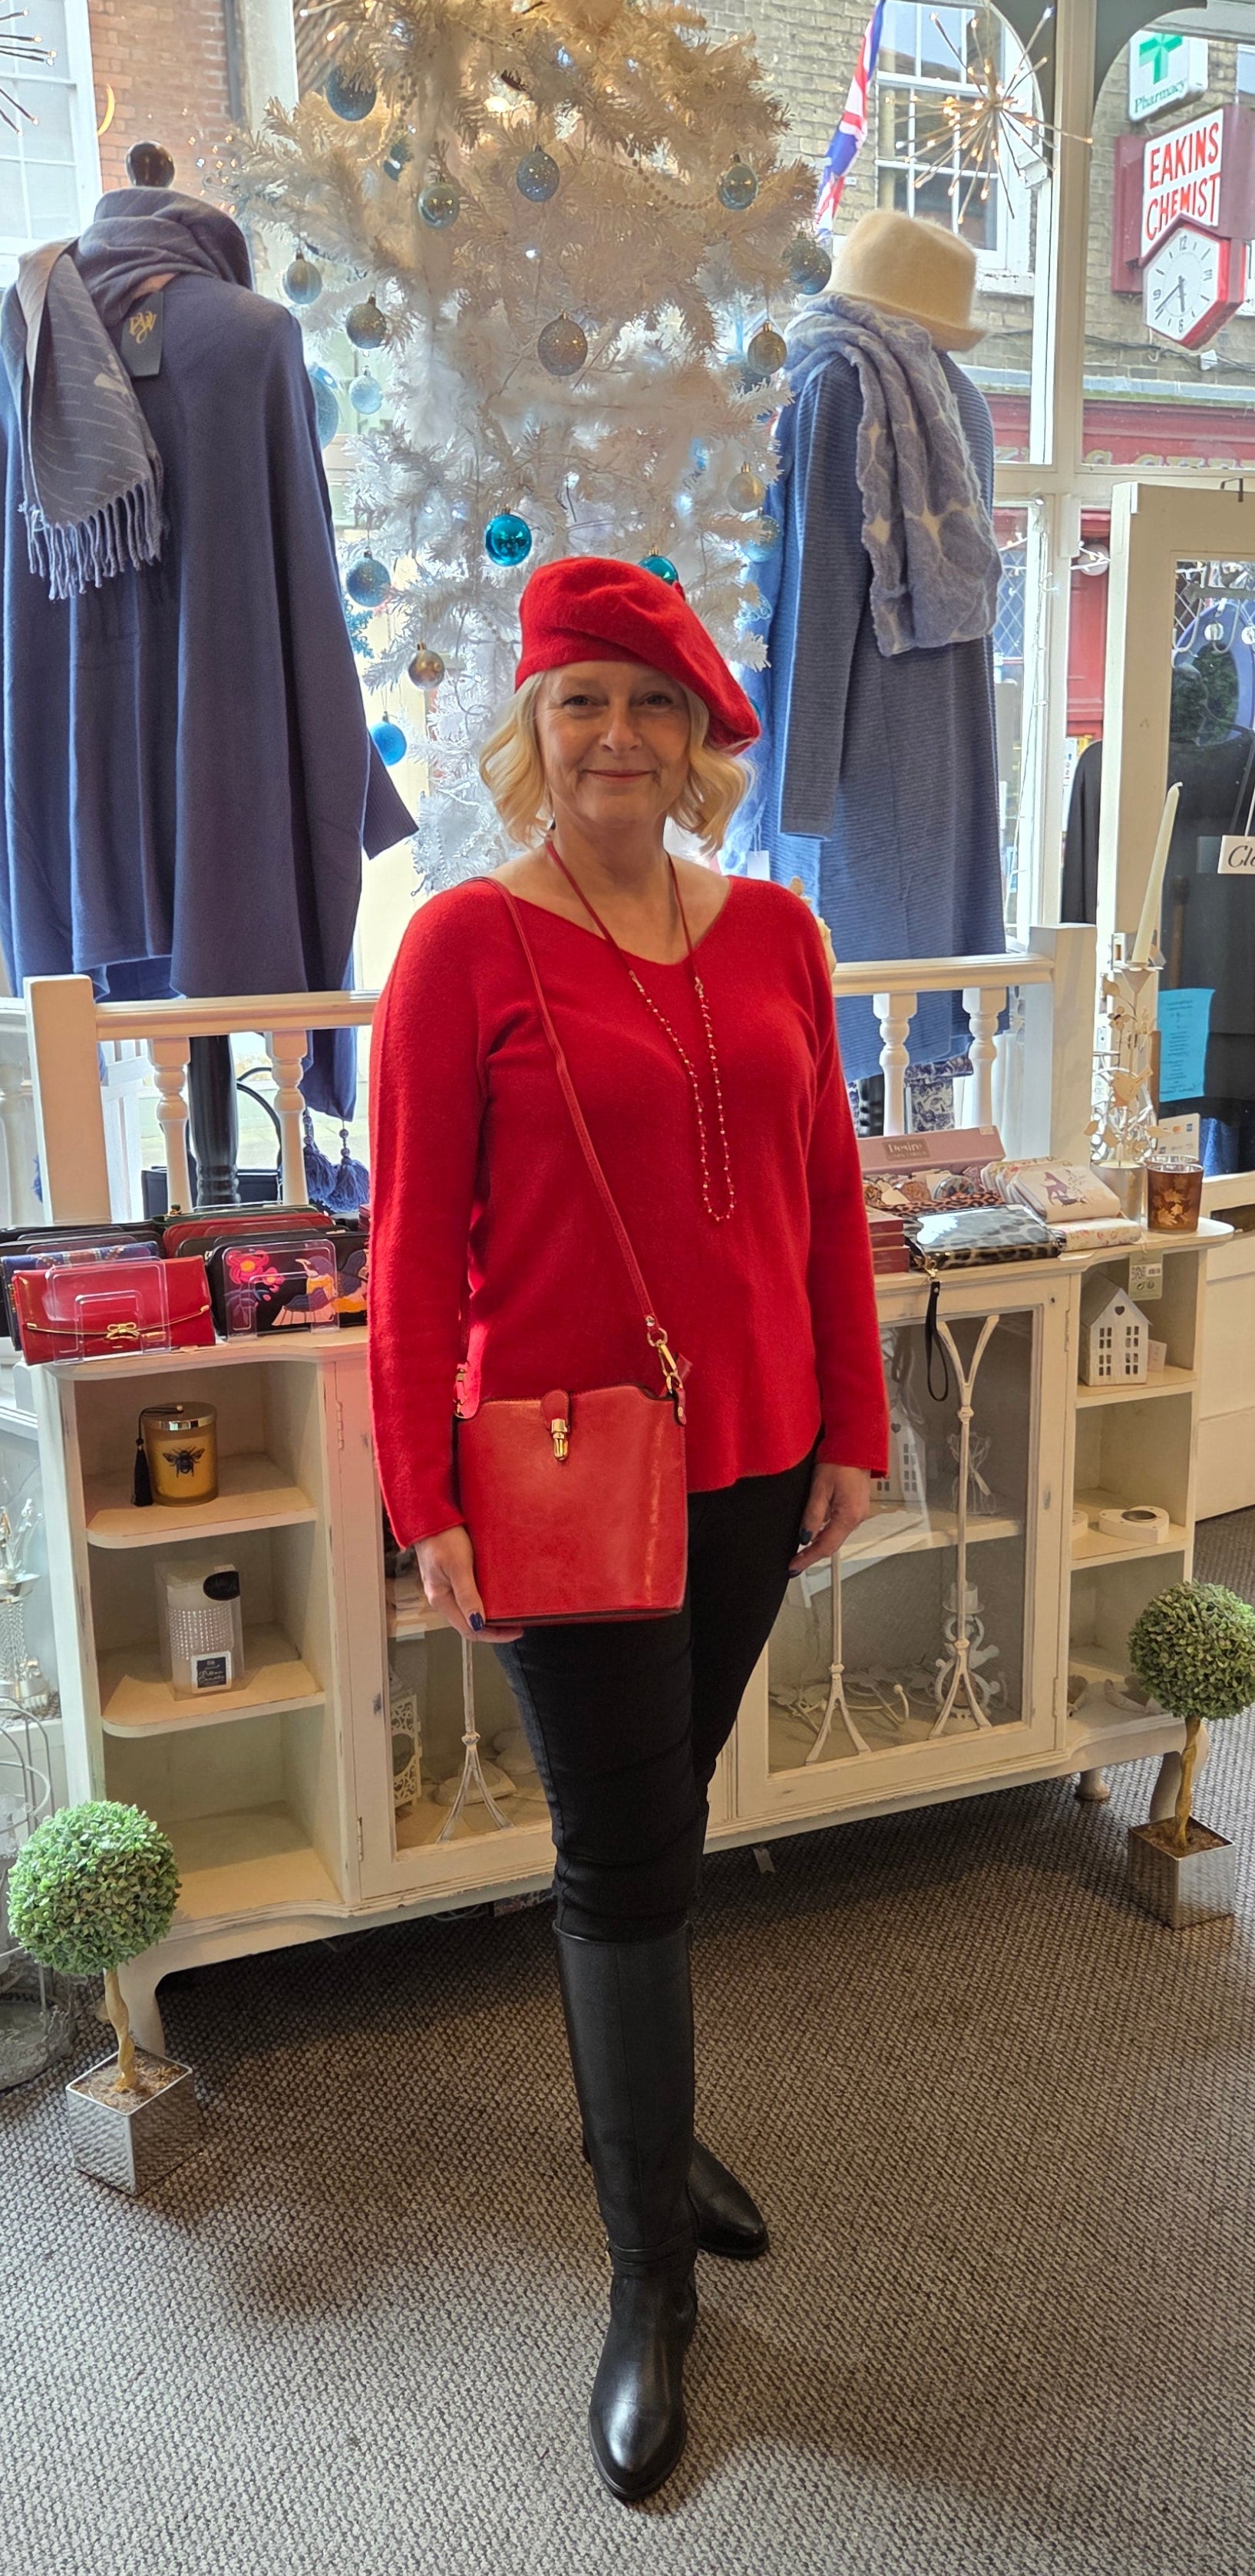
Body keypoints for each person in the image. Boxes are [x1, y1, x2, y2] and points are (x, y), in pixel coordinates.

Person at [368, 554, 888, 2503]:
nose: (614, 734)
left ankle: (641, 2133)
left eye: (649, 702)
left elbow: (825, 1189)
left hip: (755, 1452)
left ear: (694, 744)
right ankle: (646, 2271)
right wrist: (421, 1489)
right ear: (533, 730)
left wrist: (853, 1424)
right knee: (618, 1855)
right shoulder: (462, 944)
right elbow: (407, 1249)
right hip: (565, 1470)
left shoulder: (777, 932)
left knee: (662, 1816)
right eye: (578, 699)